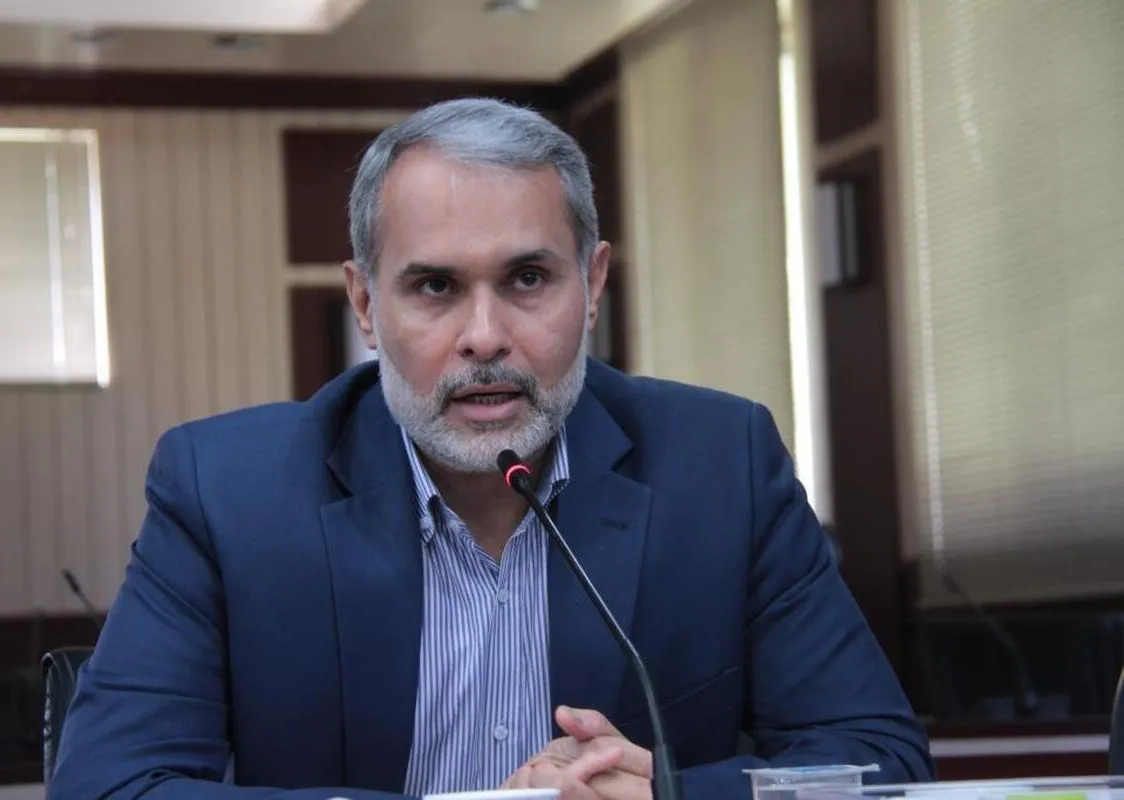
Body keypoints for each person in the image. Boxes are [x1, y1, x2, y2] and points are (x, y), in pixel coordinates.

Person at [50, 97, 934, 800]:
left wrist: (666, 795)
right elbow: (108, 785)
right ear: (365, 305)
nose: (484, 337)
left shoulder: (720, 466)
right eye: (435, 286)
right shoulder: (227, 491)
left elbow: (876, 761)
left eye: (528, 278)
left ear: (592, 284)